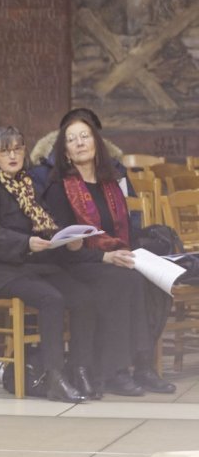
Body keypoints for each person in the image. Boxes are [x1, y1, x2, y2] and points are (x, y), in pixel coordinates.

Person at [0, 126, 103, 404]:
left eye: (18, 149)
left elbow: (47, 224)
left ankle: (80, 368)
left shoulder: (29, 185)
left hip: (31, 266)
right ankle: (54, 377)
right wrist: (25, 243)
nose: (13, 155)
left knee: (84, 297)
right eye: (5, 150)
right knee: (51, 298)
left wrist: (69, 239)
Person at [42, 109, 175, 395]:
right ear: (64, 151)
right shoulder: (59, 188)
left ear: (96, 143)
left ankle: (143, 367)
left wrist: (130, 255)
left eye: (85, 136)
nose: (79, 143)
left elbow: (125, 231)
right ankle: (113, 371)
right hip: (77, 263)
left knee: (150, 280)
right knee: (123, 279)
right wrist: (105, 257)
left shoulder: (111, 183)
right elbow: (62, 246)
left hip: (114, 257)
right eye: (72, 139)